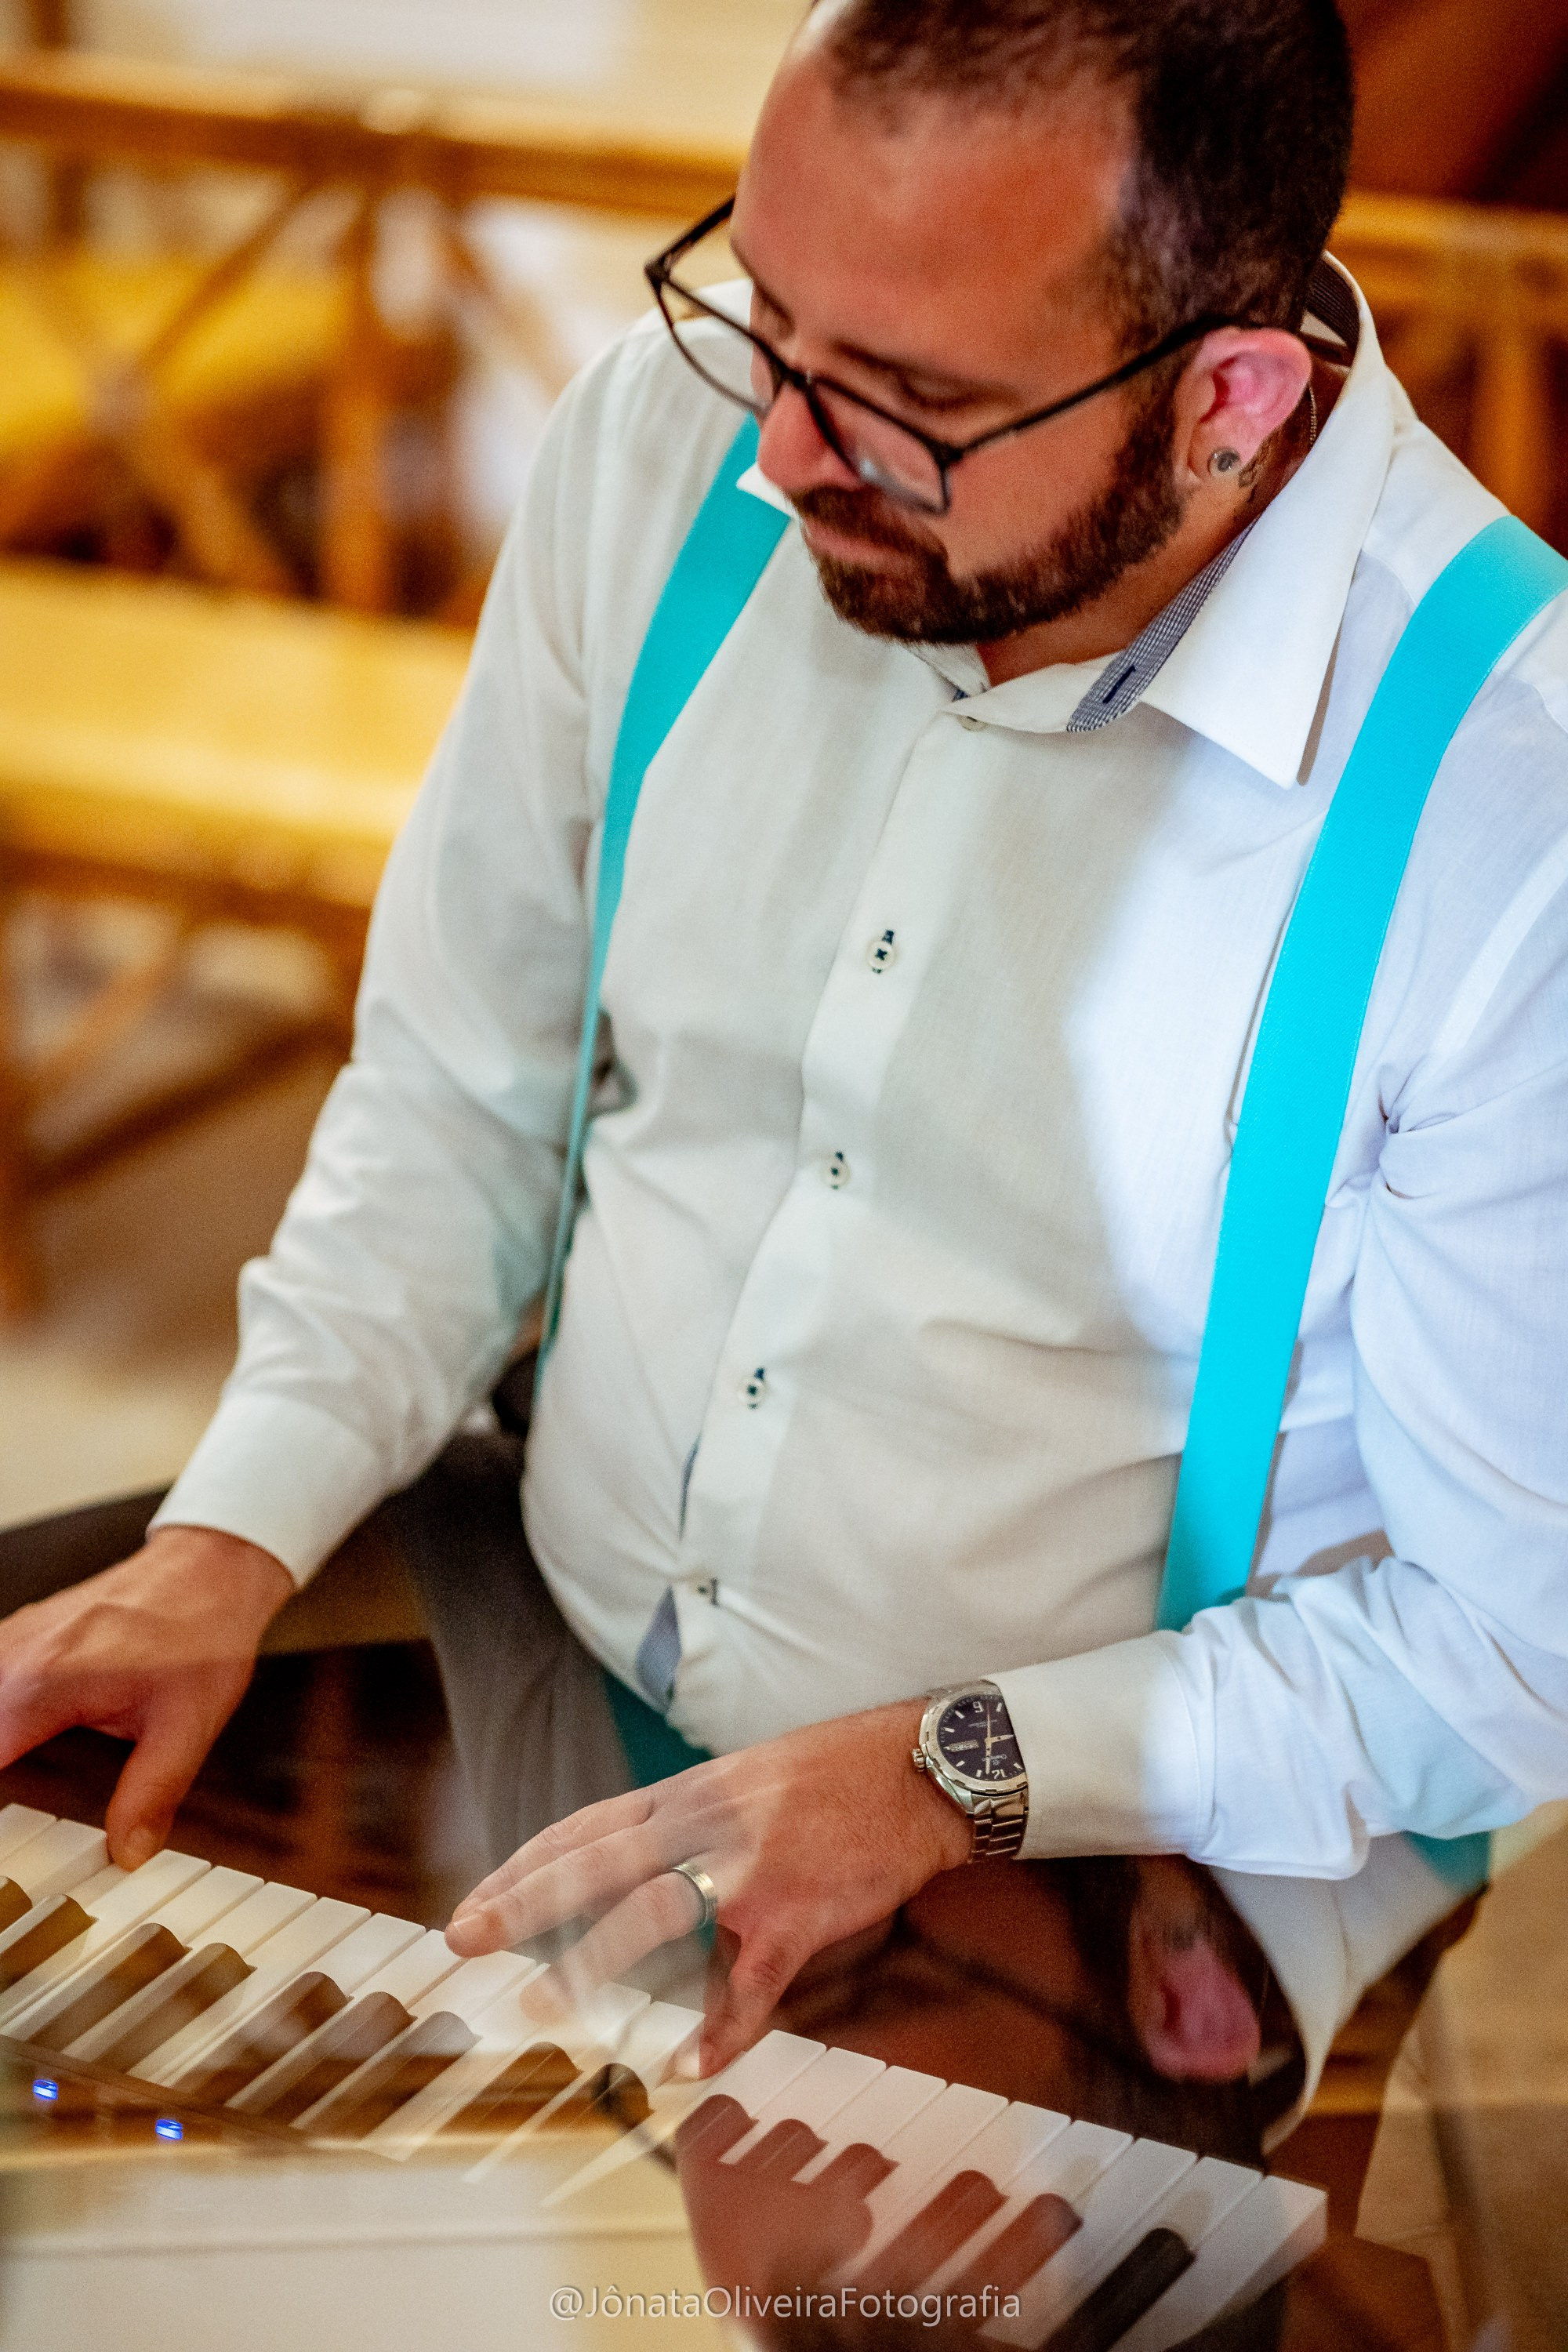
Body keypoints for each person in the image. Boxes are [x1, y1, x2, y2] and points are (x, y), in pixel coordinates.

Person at [2, 0, 1564, 2146]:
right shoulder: (669, 440)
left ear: (1232, 399)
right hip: (522, 1621)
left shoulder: (1511, 821)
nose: (777, 452)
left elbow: (1504, 1658)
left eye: (905, 403)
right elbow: (463, 1082)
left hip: (1091, 1908)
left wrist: (956, 1772)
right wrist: (236, 1531)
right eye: (767, 311)